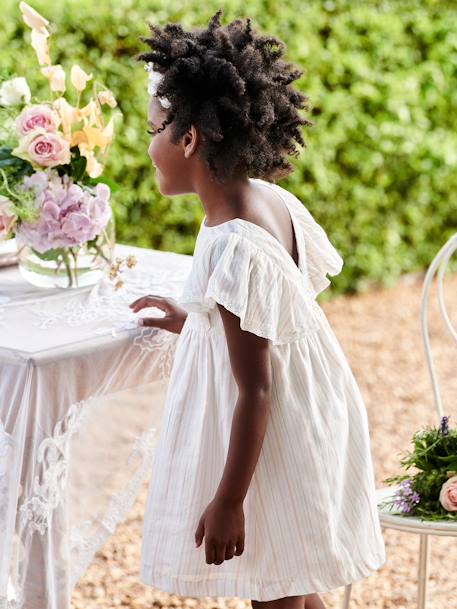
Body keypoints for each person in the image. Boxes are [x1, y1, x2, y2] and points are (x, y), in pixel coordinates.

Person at [129, 9, 386, 609]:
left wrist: (228, 501)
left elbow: (256, 389)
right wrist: (197, 318)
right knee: (289, 586)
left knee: (273, 592)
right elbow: (272, 313)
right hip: (309, 411)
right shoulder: (266, 199)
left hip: (271, 437)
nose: (147, 147)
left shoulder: (231, 240)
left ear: (187, 137)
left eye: (152, 130)